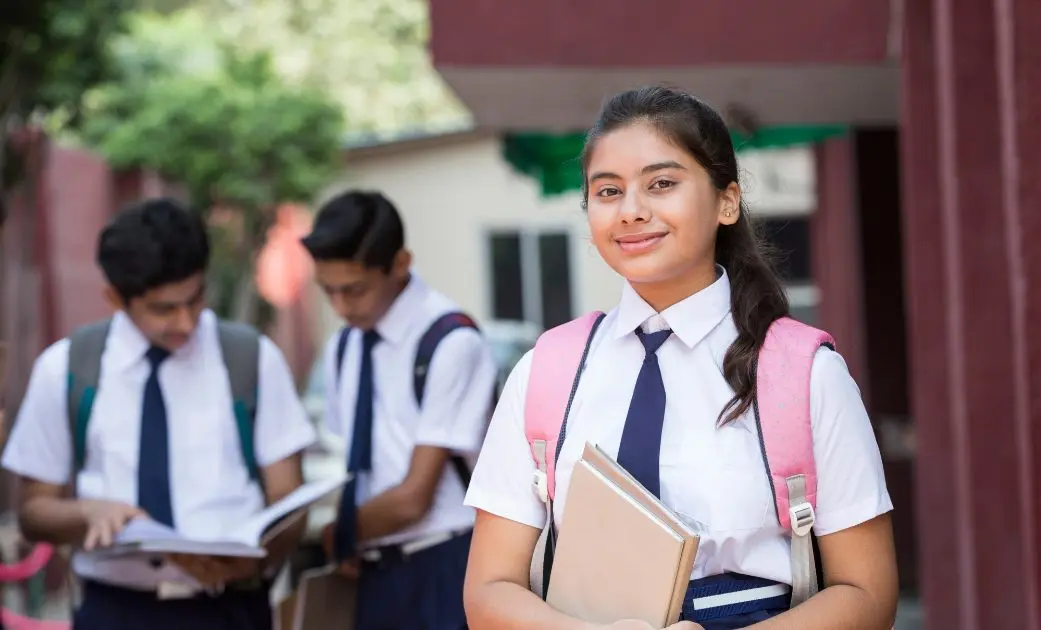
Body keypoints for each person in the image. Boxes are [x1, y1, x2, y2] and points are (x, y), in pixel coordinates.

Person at [462, 86, 898, 630]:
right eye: (608, 191)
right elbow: (488, 591)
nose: (631, 211)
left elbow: (868, 594)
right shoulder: (546, 372)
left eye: (661, 184)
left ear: (727, 201)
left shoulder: (805, 374)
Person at [1, 198, 316, 629]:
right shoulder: (67, 368)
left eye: (196, 299)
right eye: (163, 309)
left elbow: (289, 499)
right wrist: (87, 512)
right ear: (115, 298)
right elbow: (34, 512)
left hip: (229, 608)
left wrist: (255, 561)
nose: (186, 323)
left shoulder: (250, 359)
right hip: (115, 610)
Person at [302, 190, 498, 630]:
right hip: (373, 567)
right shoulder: (344, 346)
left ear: (400, 264)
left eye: (354, 290)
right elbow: (355, 466)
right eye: (327, 291)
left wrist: (340, 534)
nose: (340, 307)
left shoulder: (450, 341)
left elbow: (413, 499)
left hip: (446, 563)